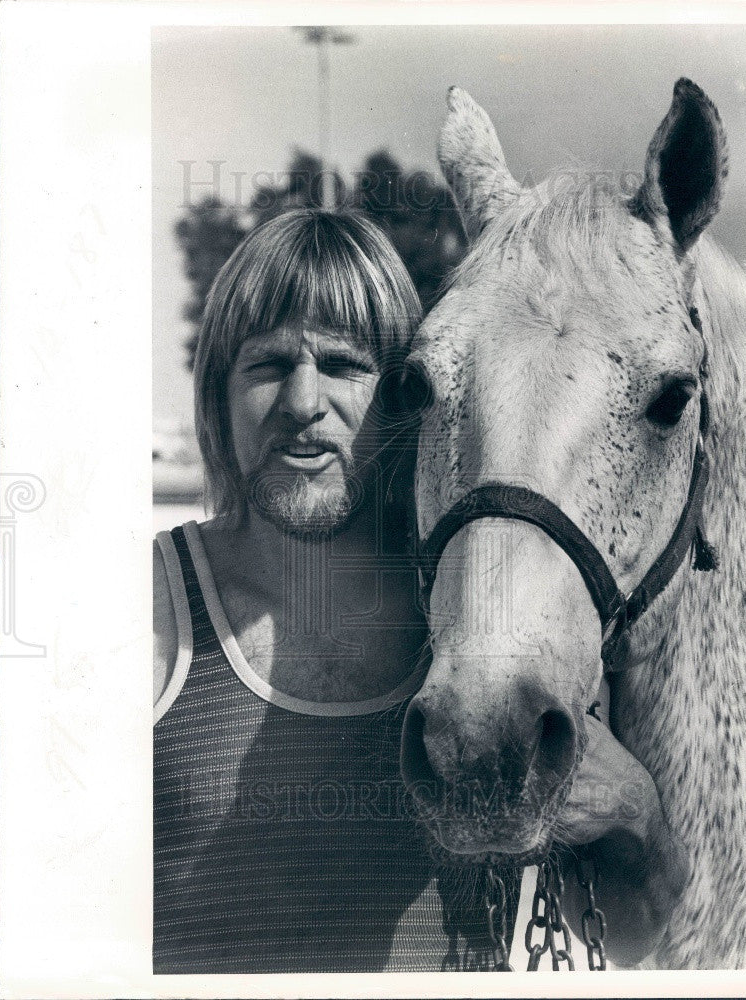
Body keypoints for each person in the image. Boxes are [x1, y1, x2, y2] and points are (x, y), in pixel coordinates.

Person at [152, 209, 515, 974]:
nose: (302, 401)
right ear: (217, 395)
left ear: (403, 401)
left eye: (345, 365)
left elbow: (640, 925)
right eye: (267, 364)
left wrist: (625, 806)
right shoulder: (145, 606)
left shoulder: (473, 619)